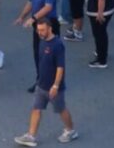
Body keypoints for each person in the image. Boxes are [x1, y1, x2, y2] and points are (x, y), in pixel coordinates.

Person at [14, 18, 78, 146]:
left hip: (54, 88)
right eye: (38, 30)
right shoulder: (42, 41)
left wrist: (56, 85)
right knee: (36, 109)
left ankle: (71, 130)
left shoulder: (57, 45)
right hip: (41, 85)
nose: (40, 32)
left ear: (50, 28)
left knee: (61, 109)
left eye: (42, 30)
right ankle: (31, 136)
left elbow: (60, 67)